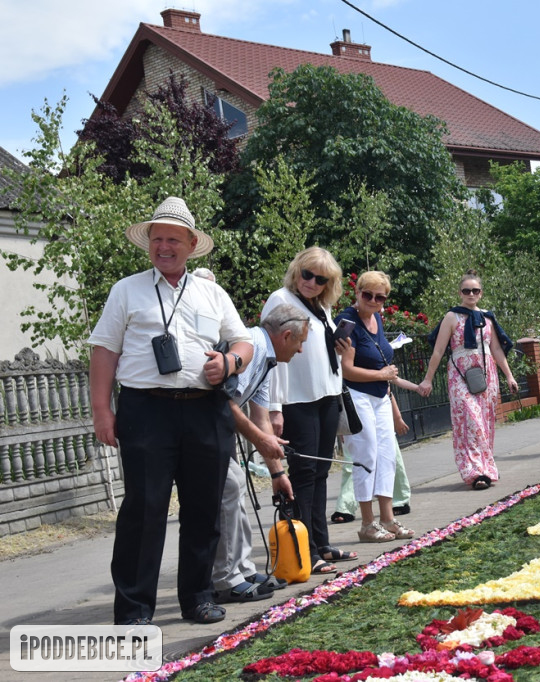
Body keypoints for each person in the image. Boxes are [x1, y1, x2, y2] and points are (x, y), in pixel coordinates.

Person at [88, 196, 254, 625]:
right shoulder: (126, 290)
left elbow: (244, 343)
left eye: (173, 240)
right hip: (146, 411)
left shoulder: (212, 292)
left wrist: (229, 362)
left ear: (190, 243)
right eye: (157, 238)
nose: (164, 246)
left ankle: (198, 597)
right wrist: (102, 412)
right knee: (144, 509)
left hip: (205, 410)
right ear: (149, 244)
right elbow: (104, 352)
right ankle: (134, 608)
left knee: (204, 507)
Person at [215, 303, 344, 604]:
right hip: (201, 427)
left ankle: (242, 571)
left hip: (216, 430)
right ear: (286, 336)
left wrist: (277, 474)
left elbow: (260, 416)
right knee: (229, 489)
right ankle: (225, 579)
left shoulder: (269, 358)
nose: (300, 351)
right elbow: (225, 403)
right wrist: (262, 440)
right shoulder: (252, 348)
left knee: (234, 492)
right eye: (300, 343)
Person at [262, 247, 348, 575]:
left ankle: (321, 544)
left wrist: (341, 350)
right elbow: (273, 354)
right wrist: (274, 407)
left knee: (321, 473)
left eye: (320, 278)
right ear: (296, 271)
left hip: (325, 395)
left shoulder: (322, 307)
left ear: (329, 283)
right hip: (297, 400)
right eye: (306, 274)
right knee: (303, 476)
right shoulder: (280, 299)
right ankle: (303, 550)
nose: (311, 282)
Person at [418, 271, 518, 489]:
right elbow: (438, 351)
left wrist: (509, 375)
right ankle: (474, 472)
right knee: (470, 421)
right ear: (460, 293)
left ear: (480, 293)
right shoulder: (451, 317)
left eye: (475, 290)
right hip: (460, 374)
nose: (471, 294)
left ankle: (486, 469)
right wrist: (428, 379)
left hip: (487, 373)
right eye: (466, 290)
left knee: (485, 422)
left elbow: (497, 349)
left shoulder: (487, 318)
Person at [338, 271, 415, 542]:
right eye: (367, 294)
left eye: (379, 296)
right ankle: (367, 524)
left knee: (386, 455)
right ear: (357, 293)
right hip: (357, 395)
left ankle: (388, 519)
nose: (372, 300)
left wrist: (389, 394)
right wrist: (382, 375)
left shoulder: (377, 319)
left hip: (380, 396)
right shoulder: (348, 322)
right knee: (366, 453)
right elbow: (347, 369)